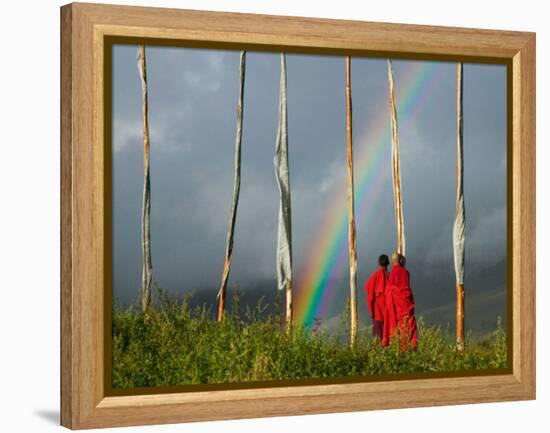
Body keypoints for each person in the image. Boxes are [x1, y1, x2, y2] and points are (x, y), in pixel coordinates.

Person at [382, 252, 418, 349]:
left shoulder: (392, 273)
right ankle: (412, 347)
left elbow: (389, 291)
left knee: (400, 326)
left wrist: (388, 302)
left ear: (392, 262)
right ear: (400, 261)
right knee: (409, 324)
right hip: (407, 302)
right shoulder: (406, 272)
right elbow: (406, 287)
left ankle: (400, 349)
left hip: (398, 306)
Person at [364, 254, 389, 340]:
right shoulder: (391, 276)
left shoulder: (375, 276)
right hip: (389, 313)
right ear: (388, 263)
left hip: (377, 313)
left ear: (378, 263)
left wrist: (372, 312)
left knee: (378, 340)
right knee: (389, 338)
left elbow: (370, 296)